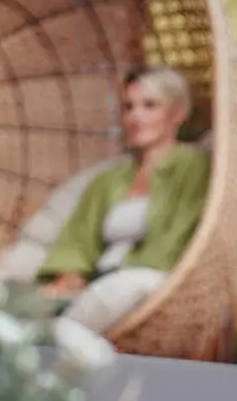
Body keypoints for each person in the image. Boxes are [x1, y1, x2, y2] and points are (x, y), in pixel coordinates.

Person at [36, 65, 210, 299]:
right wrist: (69, 279)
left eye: (150, 105)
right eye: (128, 107)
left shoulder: (194, 169)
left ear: (178, 113)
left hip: (150, 287)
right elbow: (77, 240)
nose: (135, 117)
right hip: (99, 285)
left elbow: (177, 243)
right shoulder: (108, 180)